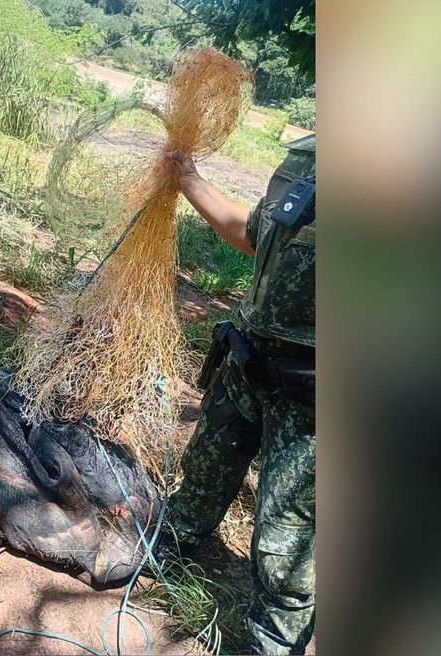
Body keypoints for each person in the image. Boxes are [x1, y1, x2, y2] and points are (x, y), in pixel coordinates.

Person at [159, 134, 316, 655]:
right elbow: (254, 233)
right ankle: (172, 543)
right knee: (205, 466)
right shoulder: (306, 155)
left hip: (314, 396)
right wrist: (188, 180)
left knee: (287, 537)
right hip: (248, 364)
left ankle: (272, 643)